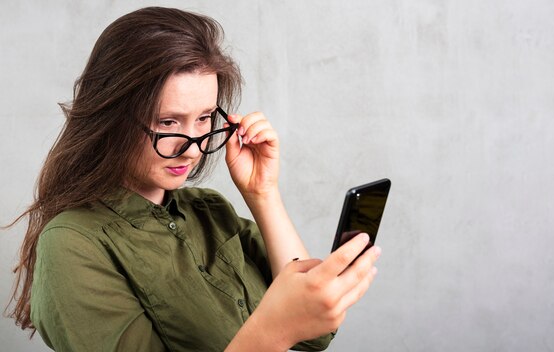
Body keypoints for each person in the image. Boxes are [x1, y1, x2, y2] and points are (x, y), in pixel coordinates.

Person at [5, 6, 381, 352]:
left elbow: (315, 333)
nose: (192, 149)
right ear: (113, 119)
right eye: (169, 122)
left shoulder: (210, 210)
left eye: (204, 119)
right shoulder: (73, 243)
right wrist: (274, 331)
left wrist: (263, 194)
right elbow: (291, 328)